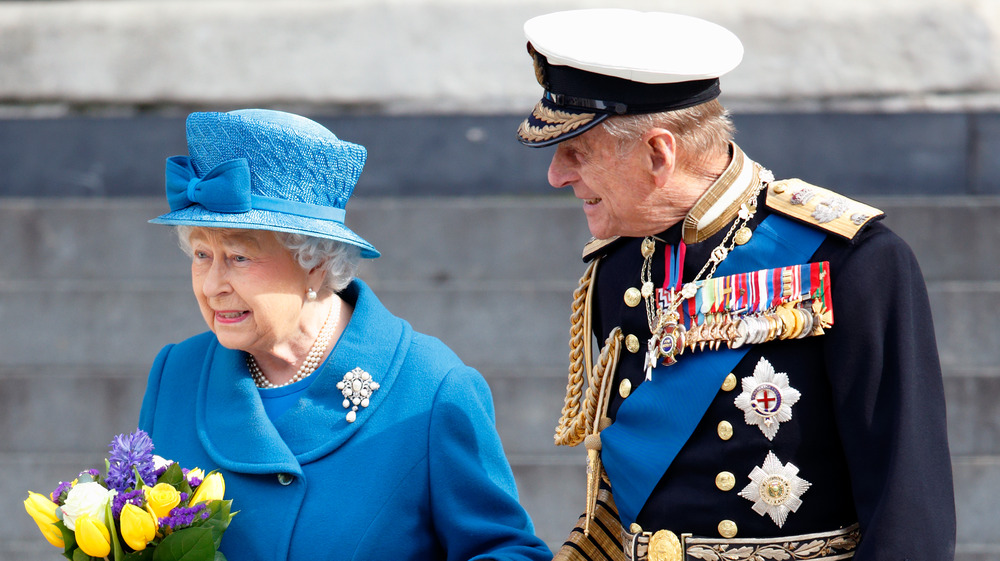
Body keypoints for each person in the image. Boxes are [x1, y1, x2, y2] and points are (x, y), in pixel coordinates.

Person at [516, 9, 955, 561]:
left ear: (659, 153)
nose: (556, 175)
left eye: (576, 151)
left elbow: (908, 516)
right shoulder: (619, 268)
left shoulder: (854, 263)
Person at [138, 109, 552, 561]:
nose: (212, 284)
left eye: (238, 257)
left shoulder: (431, 388)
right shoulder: (175, 374)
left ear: (314, 262)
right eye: (201, 253)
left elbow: (507, 551)